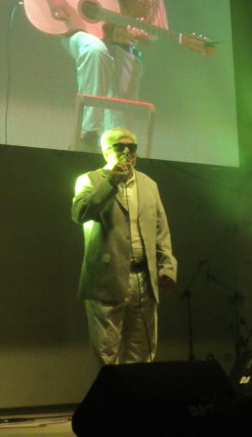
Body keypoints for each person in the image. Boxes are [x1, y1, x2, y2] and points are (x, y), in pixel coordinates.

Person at [7, 0, 168, 150]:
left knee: (122, 105)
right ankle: (89, 132)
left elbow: (154, 36)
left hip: (122, 44)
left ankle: (117, 154)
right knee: (94, 49)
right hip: (77, 30)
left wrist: (139, 35)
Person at [72, 127, 177, 365]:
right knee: (106, 353)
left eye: (132, 147)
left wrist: (168, 264)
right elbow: (79, 213)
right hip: (106, 280)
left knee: (142, 352)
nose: (127, 152)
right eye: (120, 147)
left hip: (144, 279)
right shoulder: (89, 180)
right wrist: (111, 182)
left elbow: (161, 228)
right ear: (106, 151)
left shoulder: (149, 184)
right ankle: (113, 402)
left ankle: (138, 401)